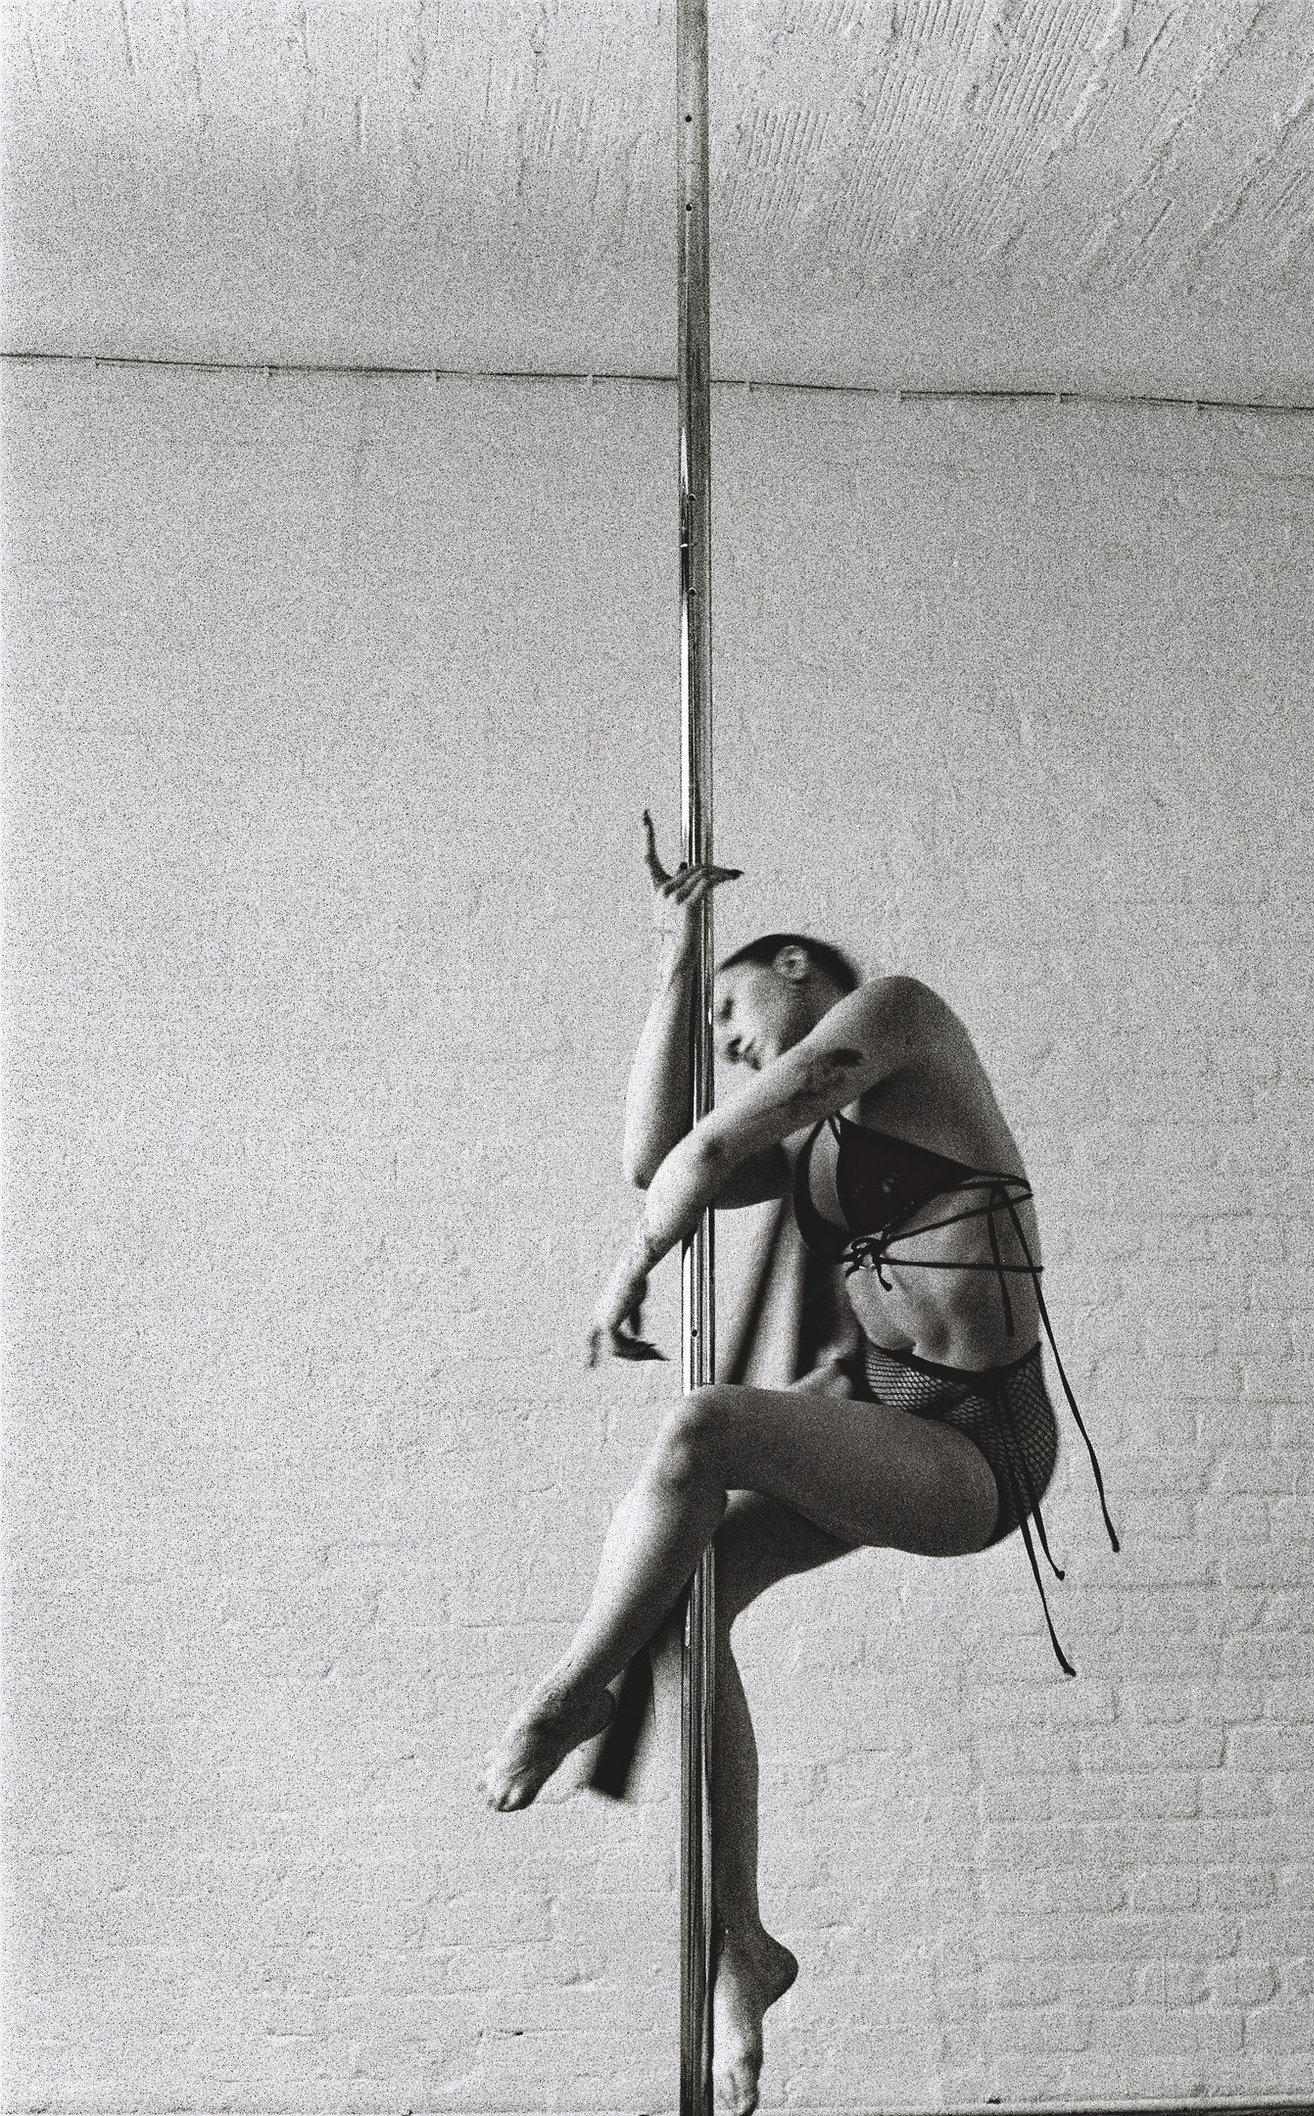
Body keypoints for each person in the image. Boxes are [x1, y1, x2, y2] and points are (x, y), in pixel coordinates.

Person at [483, 816, 1117, 2116]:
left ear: (797, 969)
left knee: (700, 1428)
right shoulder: (812, 1148)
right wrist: (681, 961)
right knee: (689, 1599)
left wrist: (633, 1265)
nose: (728, 1045)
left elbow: (704, 1156)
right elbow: (656, 1157)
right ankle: (744, 1951)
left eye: (733, 1012)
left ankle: (573, 1688)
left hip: (975, 1448)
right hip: (875, 1412)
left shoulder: (901, 1020)